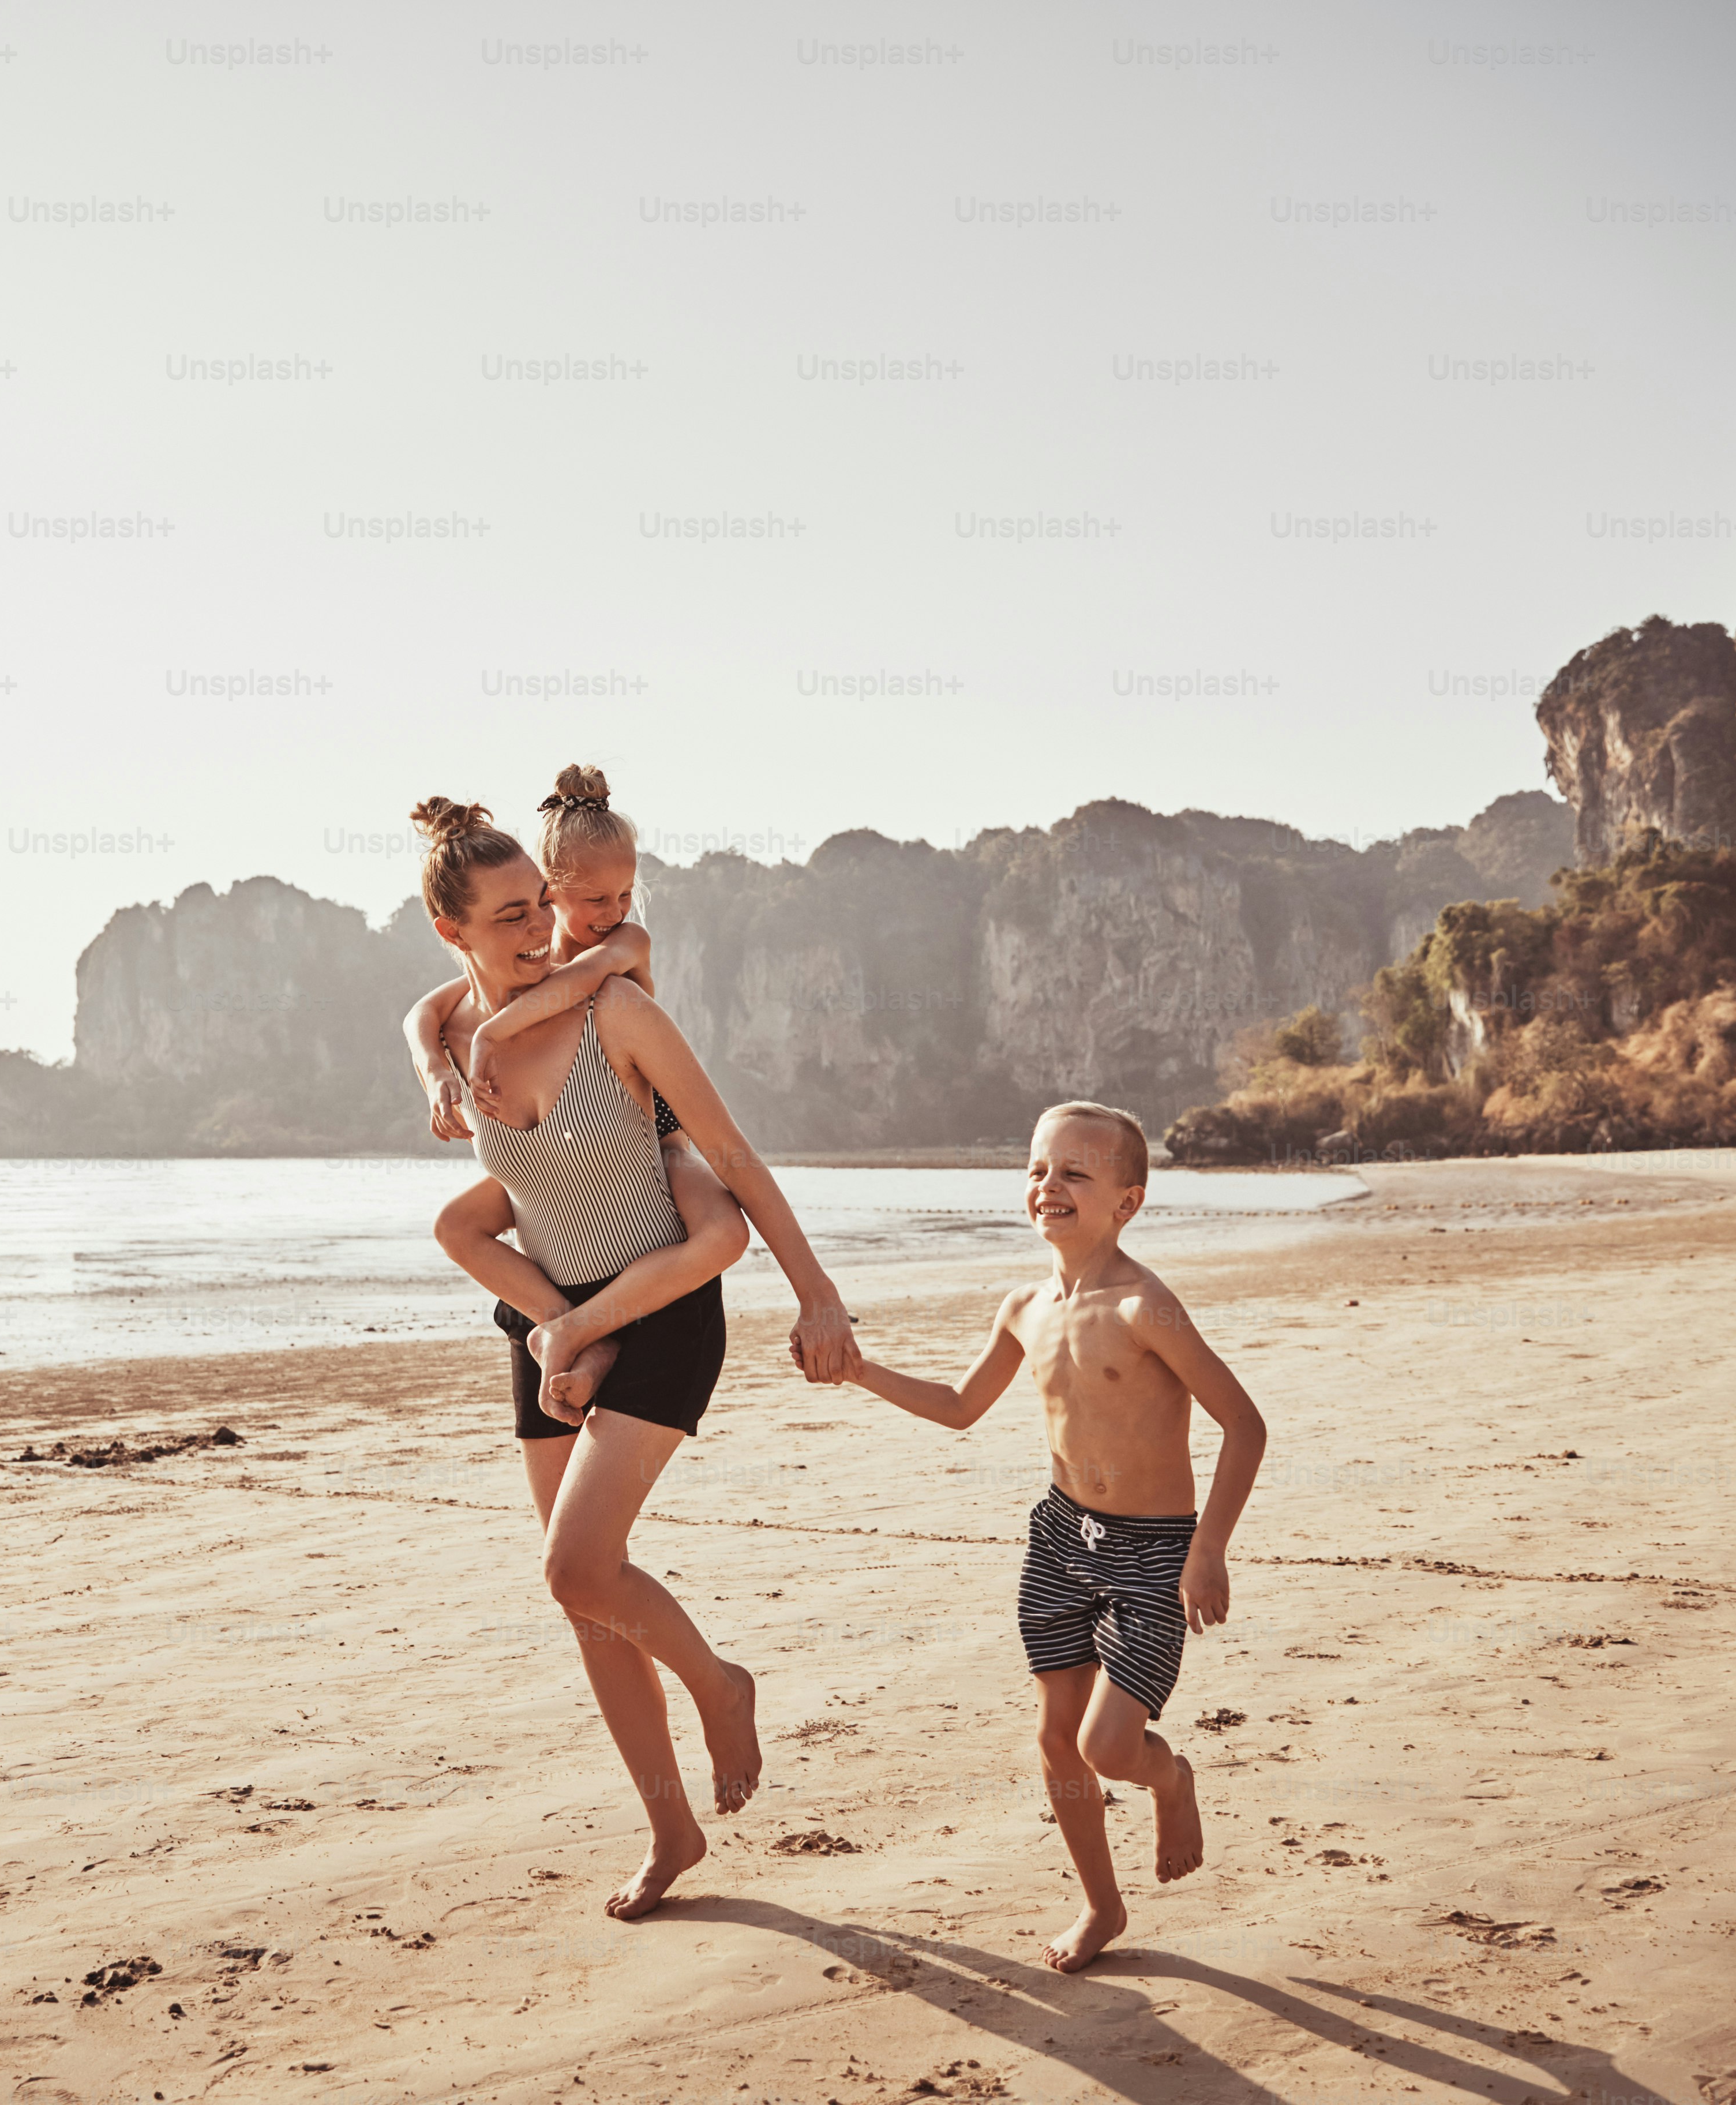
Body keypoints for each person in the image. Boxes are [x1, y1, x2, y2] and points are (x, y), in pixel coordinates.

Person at [407, 794, 857, 1919]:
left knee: (575, 1568)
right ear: (454, 931)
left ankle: (720, 1683)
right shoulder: (456, 1033)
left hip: (663, 1317)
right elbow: (426, 1025)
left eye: (537, 910)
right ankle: (671, 1834)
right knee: (587, 1598)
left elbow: (731, 1156)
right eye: (510, 915)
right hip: (552, 1314)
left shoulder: (616, 1009)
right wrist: (442, 1072)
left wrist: (818, 1292)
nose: (540, 931)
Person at [834, 1100, 1268, 1972]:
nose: (1049, 1186)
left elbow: (1244, 1425)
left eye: (1076, 1172)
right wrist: (860, 1369)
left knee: (1108, 1747)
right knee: (1053, 1736)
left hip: (1154, 1549)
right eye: (1038, 1168)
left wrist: (1208, 1548)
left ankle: (1170, 1779)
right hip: (1061, 1538)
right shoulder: (1024, 1306)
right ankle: (1102, 1907)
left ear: (1127, 1202)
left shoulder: (1146, 1306)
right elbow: (961, 1409)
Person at [400, 765, 750, 1414]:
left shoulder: (615, 952)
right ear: (561, 891)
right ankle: (571, 1329)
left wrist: (492, 1034)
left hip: (655, 1129)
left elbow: (575, 983)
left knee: (724, 1233)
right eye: (595, 898)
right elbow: (423, 1010)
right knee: (455, 1225)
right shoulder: (516, 979)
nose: (614, 912)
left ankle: (581, 1331)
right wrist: (436, 1070)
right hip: (576, 1161)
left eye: (626, 894)